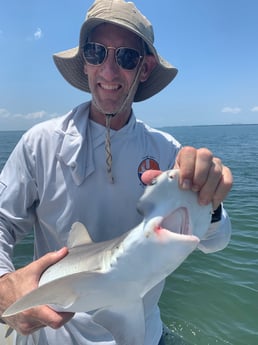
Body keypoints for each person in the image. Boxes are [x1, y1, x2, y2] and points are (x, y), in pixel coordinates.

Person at [0, 0, 232, 344]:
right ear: (85, 61)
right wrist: (3, 284)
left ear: (145, 68)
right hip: (51, 337)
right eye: (96, 53)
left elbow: (216, 241)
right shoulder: (41, 144)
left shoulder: (168, 152)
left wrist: (210, 203)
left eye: (125, 57)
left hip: (142, 333)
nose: (108, 72)